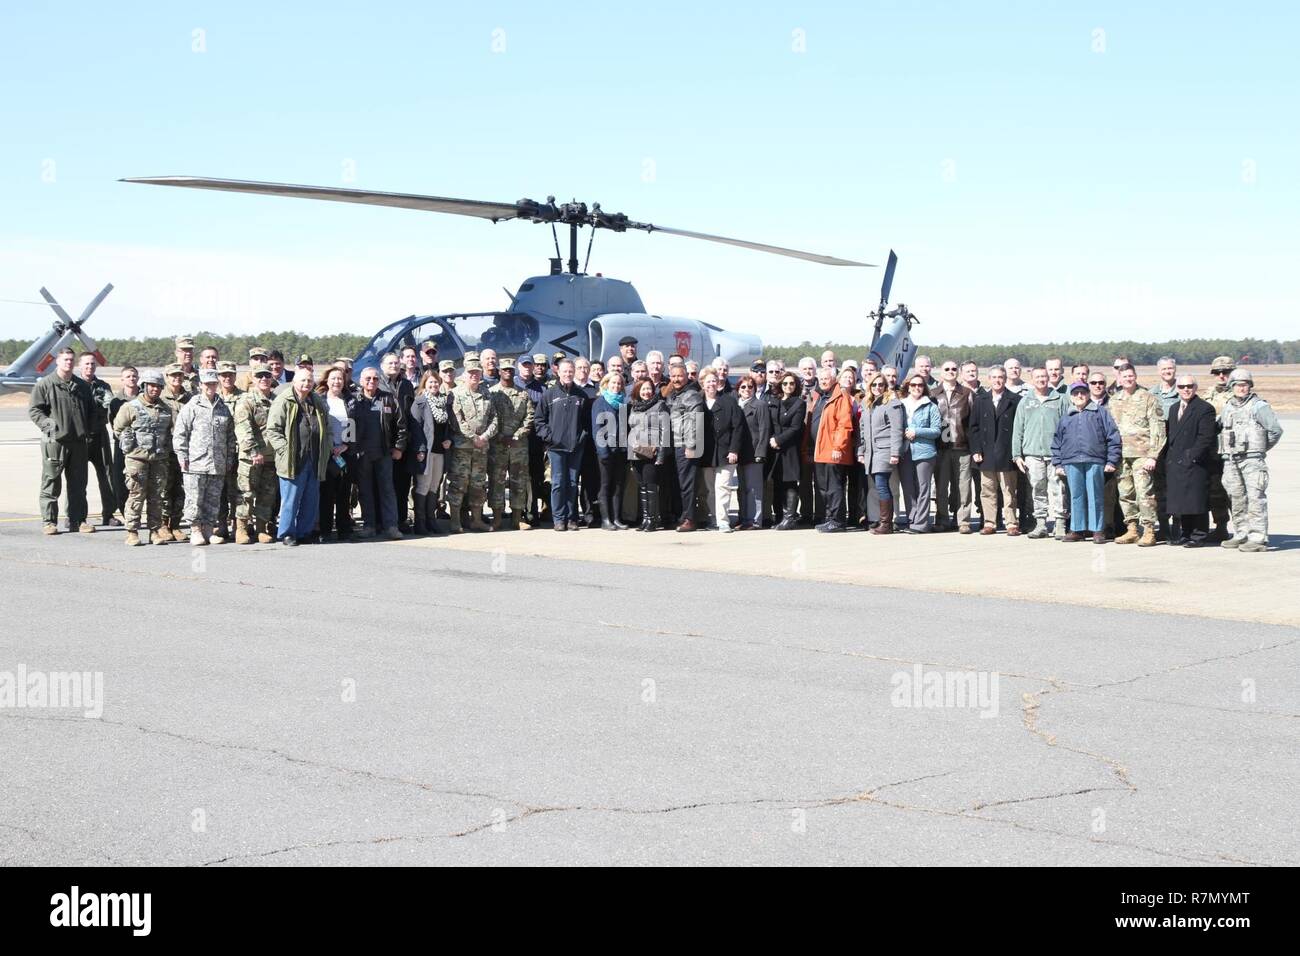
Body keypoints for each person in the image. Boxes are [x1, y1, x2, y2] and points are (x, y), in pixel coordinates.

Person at [29, 347, 95, 535]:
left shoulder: (82, 386)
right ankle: (49, 522)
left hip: (79, 443)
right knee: (51, 482)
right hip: (55, 443)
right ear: (57, 361)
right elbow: (35, 410)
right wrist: (50, 428)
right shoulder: (46, 384)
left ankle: (78, 520)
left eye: (71, 360)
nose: (68, 363)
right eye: (65, 359)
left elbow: (92, 411)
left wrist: (87, 430)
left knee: (79, 484)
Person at [1218, 369, 1284, 552]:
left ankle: (1258, 537)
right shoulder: (1228, 407)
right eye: (1238, 384)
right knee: (1236, 497)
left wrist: (1260, 448)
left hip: (1252, 460)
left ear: (1250, 386)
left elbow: (1275, 431)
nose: (1241, 388)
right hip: (1231, 459)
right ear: (1231, 386)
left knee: (1255, 498)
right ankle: (1241, 533)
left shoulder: (1259, 406)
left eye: (1245, 384)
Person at [265, 369, 330, 546]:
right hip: (292, 459)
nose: (306, 384)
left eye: (309, 381)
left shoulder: (317, 400)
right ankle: (287, 533)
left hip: (314, 458)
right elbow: (273, 430)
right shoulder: (283, 400)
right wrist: (284, 450)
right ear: (294, 381)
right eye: (302, 380)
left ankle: (304, 532)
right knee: (291, 499)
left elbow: (327, 428)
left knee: (311, 499)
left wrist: (327, 445)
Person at [1051, 380, 1121, 543]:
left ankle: (1097, 530)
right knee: (1076, 496)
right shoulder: (1067, 416)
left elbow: (1112, 436)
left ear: (1088, 394)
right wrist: (1058, 463)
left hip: (1095, 460)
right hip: (1071, 461)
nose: (1080, 396)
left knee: (1095, 495)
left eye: (1083, 392)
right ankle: (1077, 529)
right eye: (1076, 393)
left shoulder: (1100, 412)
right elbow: (1057, 441)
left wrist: (1111, 460)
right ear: (1071, 396)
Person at [172, 369, 236, 546]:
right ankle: (195, 530)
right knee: (195, 499)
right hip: (196, 463)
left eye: (213, 384)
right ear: (200, 385)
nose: (210, 387)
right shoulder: (192, 407)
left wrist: (229, 458)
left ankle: (208, 530)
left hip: (218, 463)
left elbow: (230, 436)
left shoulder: (223, 408)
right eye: (207, 384)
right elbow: (180, 433)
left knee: (213, 500)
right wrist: (182, 455)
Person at [112, 369, 172, 546]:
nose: (155, 389)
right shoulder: (130, 407)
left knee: (156, 497)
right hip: (137, 460)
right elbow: (118, 429)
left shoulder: (165, 409)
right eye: (152, 385)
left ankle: (154, 531)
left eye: (158, 386)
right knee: (136, 495)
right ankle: (132, 532)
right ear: (144, 386)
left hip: (158, 459)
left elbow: (169, 432)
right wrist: (128, 440)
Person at [1109, 364, 1165, 547]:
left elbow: (1158, 429)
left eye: (1131, 376)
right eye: (1124, 376)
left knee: (1144, 493)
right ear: (1119, 378)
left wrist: (1153, 455)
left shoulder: (1148, 398)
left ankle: (1149, 530)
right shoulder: (1114, 400)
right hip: (1121, 454)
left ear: (1136, 376)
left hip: (1142, 454)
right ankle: (1132, 529)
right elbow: (1110, 429)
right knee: (1125, 493)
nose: (1128, 379)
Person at [1011, 367, 1068, 539]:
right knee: (1037, 489)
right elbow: (1018, 429)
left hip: (1055, 454)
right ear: (1032, 379)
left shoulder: (1060, 399)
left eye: (1044, 376)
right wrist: (1017, 455)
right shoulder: (1025, 401)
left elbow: (1068, 427)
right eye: (1038, 377)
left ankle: (1060, 523)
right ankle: (1041, 523)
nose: (1041, 379)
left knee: (1059, 489)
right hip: (1032, 454)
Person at [349, 366, 404, 539]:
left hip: (384, 453)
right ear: (361, 381)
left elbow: (401, 425)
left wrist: (399, 447)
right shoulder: (354, 401)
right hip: (362, 454)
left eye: (375, 379)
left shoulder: (388, 399)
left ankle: (391, 526)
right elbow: (347, 427)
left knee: (387, 490)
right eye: (368, 379)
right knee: (365, 491)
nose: (371, 381)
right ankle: (369, 526)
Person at [535, 358, 588, 531]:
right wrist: (550, 438)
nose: (568, 374)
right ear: (558, 372)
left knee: (572, 483)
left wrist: (582, 437)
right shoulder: (549, 394)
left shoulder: (581, 395)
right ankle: (558, 519)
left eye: (570, 372)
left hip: (575, 448)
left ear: (574, 372)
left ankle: (572, 517)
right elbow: (539, 420)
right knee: (557, 483)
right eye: (564, 371)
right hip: (556, 448)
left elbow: (587, 422)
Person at [1163, 376, 1217, 547]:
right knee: (1182, 500)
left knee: (1196, 500)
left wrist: (1191, 456)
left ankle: (1199, 534)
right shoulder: (1173, 409)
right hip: (1176, 462)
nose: (1186, 389)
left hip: (1195, 462)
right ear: (1177, 388)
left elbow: (1205, 437)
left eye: (1189, 386)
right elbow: (1171, 435)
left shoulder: (1204, 408)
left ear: (1195, 387)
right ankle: (1185, 534)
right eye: (1182, 386)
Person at [446, 360, 498, 534]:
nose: (474, 375)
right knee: (458, 484)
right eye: (471, 373)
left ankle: (476, 520)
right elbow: (456, 420)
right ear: (465, 374)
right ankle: (455, 521)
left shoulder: (486, 393)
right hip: (463, 448)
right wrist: (473, 436)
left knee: (478, 484)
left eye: (477, 372)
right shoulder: (455, 394)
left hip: (481, 448)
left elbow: (494, 418)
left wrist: (484, 436)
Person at [969, 366, 1022, 535]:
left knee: (1008, 491)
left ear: (1005, 379)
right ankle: (990, 523)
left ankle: (1011, 523)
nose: (997, 380)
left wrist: (1016, 453)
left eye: (1000, 377)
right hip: (986, 453)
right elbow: (974, 427)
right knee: (987, 490)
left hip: (1006, 452)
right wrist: (976, 449)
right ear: (989, 379)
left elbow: (1020, 428)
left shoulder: (1015, 400)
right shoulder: (981, 399)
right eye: (994, 377)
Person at [233, 363, 279, 544]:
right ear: (252, 378)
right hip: (250, 457)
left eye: (267, 376)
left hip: (271, 457)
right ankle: (242, 528)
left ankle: (261, 528)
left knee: (267, 495)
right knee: (246, 493)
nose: (264, 379)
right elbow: (243, 428)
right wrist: (253, 451)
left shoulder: (277, 401)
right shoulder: (246, 400)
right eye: (259, 376)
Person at [487, 357, 533, 530]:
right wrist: (498, 435)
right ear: (499, 371)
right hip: (497, 445)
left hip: (518, 446)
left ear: (514, 372)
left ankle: (516, 519)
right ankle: (497, 517)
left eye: (510, 369)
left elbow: (529, 418)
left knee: (518, 482)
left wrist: (515, 436)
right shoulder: (491, 393)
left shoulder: (523, 394)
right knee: (496, 481)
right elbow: (488, 417)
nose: (508, 371)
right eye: (504, 369)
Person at [696, 368, 744, 531]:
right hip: (706, 453)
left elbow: (738, 427)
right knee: (710, 489)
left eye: (714, 381)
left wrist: (734, 450)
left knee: (723, 487)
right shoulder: (698, 402)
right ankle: (714, 518)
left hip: (726, 452)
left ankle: (723, 521)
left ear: (718, 383)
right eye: (708, 381)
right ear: (702, 384)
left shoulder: (729, 402)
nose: (711, 384)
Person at [931, 360, 975, 533]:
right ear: (941, 372)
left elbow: (973, 422)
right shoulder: (934, 394)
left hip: (962, 446)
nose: (950, 371)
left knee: (963, 486)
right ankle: (942, 519)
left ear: (958, 372)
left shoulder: (967, 393)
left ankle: (963, 521)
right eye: (947, 369)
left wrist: (974, 447)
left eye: (954, 369)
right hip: (941, 447)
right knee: (941, 486)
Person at [77, 352, 120, 526]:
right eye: (86, 364)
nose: (90, 367)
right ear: (80, 366)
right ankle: (76, 515)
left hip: (99, 436)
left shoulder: (102, 386)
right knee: (77, 478)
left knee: (107, 476)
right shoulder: (74, 385)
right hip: (79, 437)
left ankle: (108, 513)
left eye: (93, 364)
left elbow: (109, 402)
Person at [406, 370, 449, 535]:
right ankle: (420, 523)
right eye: (430, 382)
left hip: (440, 451)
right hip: (425, 451)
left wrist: (448, 440)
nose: (434, 385)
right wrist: (420, 449)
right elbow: (415, 429)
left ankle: (432, 521)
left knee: (434, 486)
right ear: (424, 384)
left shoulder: (443, 403)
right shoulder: (419, 402)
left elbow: (447, 427)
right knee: (423, 485)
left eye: (436, 382)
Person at [812, 367, 855, 532]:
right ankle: (829, 518)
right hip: (820, 451)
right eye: (821, 379)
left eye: (826, 378)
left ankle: (837, 520)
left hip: (833, 451)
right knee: (824, 488)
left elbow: (844, 425)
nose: (823, 381)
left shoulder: (840, 396)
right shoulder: (821, 396)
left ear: (834, 379)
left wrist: (838, 447)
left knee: (834, 487)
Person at [860, 373, 904, 534]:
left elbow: (897, 429)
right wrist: (861, 451)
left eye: (881, 385)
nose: (877, 387)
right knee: (878, 487)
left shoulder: (892, 404)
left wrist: (895, 452)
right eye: (874, 385)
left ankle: (886, 524)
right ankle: (882, 521)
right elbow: (863, 430)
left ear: (886, 387)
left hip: (884, 451)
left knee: (882, 486)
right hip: (870, 453)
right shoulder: (867, 404)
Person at [899, 373, 941, 533]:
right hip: (905, 451)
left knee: (923, 488)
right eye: (913, 385)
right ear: (908, 386)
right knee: (908, 488)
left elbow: (936, 430)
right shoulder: (901, 405)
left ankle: (922, 523)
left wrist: (917, 431)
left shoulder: (930, 406)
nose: (917, 388)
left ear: (924, 388)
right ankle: (912, 519)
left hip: (925, 452)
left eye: (920, 385)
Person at [664, 363, 703, 531]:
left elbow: (696, 421)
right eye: (673, 376)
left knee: (688, 485)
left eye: (680, 376)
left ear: (687, 376)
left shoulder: (692, 396)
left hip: (686, 446)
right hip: (673, 445)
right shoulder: (672, 395)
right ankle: (681, 516)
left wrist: (691, 445)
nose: (677, 379)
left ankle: (690, 519)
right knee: (677, 484)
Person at [627, 378, 669, 531]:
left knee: (651, 486)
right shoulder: (634, 407)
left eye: (649, 388)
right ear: (638, 391)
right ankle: (645, 518)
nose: (646, 392)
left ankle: (652, 519)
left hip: (651, 452)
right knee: (642, 487)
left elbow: (665, 432)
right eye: (643, 389)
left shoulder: (660, 406)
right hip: (636, 452)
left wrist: (661, 455)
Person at [319, 367, 356, 540]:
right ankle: (325, 531)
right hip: (325, 454)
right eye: (333, 378)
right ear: (327, 380)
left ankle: (344, 530)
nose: (337, 382)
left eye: (340, 378)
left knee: (344, 494)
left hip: (344, 454)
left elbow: (356, 426)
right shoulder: (319, 400)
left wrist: (346, 446)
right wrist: (328, 447)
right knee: (326, 494)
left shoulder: (350, 401)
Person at [590, 371, 630, 529]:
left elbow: (625, 428)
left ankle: (617, 518)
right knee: (605, 485)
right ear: (606, 384)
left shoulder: (623, 404)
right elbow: (597, 429)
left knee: (619, 485)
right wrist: (603, 451)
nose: (616, 386)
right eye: (613, 383)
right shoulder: (600, 402)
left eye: (619, 383)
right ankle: (606, 520)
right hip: (605, 452)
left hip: (620, 451)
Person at [157, 364, 193, 540]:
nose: (177, 378)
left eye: (180, 375)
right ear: (166, 376)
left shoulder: (190, 398)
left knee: (180, 489)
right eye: (173, 375)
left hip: (185, 451)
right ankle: (163, 525)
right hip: (165, 450)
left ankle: (176, 524)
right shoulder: (161, 397)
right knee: (165, 488)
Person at [1205, 355, 1237, 540]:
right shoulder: (1208, 395)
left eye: (1226, 372)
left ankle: (1243, 529)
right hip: (1214, 452)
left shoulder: (1241, 394)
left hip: (1234, 452)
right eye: (1217, 372)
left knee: (1237, 492)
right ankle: (1221, 526)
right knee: (1216, 492)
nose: (1222, 376)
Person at [736, 373, 772, 530]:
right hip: (740, 453)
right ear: (738, 389)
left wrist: (761, 453)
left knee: (754, 489)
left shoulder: (760, 405)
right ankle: (744, 518)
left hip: (754, 452)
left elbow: (765, 430)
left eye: (750, 387)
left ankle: (754, 520)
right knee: (742, 488)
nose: (747, 389)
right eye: (743, 387)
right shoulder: (737, 405)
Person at [770, 372, 805, 529]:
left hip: (789, 448)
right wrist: (772, 440)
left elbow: (796, 427)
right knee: (777, 483)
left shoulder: (799, 403)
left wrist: (778, 440)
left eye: (792, 383)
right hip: (774, 449)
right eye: (785, 383)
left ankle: (790, 517)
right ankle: (779, 516)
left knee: (790, 483)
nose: (788, 386)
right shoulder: (776, 401)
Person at [107, 364, 140, 524]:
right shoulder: (115, 402)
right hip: (122, 447)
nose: (131, 379)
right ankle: (125, 512)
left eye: (134, 376)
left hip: (142, 446)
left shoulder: (145, 398)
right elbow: (114, 425)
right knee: (120, 481)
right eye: (128, 376)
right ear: (122, 380)